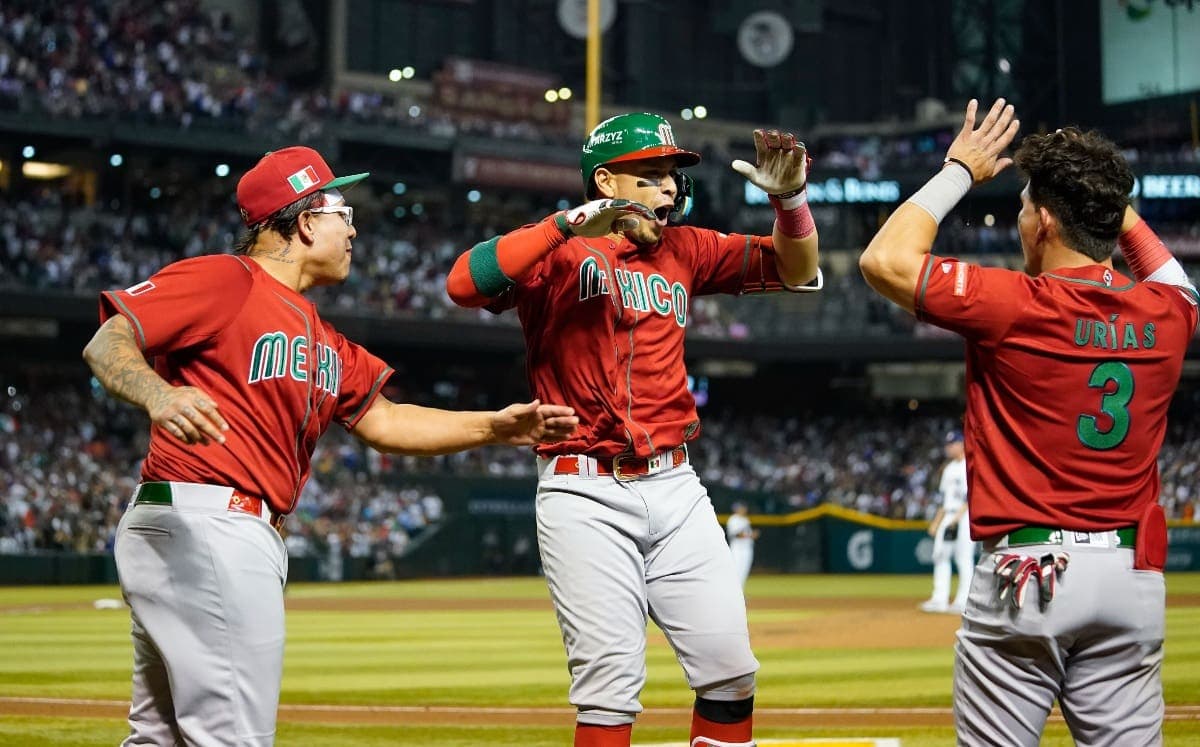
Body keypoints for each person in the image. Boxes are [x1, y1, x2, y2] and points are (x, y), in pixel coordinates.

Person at [82, 145, 578, 747]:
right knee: (233, 736)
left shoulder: (321, 334)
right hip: (210, 521)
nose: (353, 228)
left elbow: (386, 423)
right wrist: (159, 395)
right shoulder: (224, 278)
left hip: (204, 526)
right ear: (306, 219)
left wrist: (494, 428)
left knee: (159, 737)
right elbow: (108, 342)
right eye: (342, 210)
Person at [447, 112, 820, 747]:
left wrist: (789, 201)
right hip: (581, 490)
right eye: (650, 174)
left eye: (671, 174)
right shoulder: (555, 249)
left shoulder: (688, 249)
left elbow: (794, 268)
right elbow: (464, 283)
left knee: (730, 671)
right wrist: (565, 224)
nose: (669, 187)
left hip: (676, 486)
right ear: (605, 181)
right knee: (610, 689)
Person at [859, 99, 1197, 746]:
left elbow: (885, 260)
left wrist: (960, 168)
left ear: (1043, 220)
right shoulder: (1167, 315)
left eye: (1022, 210)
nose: (1018, 223)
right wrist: (1109, 202)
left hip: (1031, 575)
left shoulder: (1017, 303)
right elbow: (1175, 280)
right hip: (1132, 578)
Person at [920, 430, 973, 614]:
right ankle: (939, 599)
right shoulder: (948, 469)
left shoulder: (970, 465)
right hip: (948, 515)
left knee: (963, 558)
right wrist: (936, 522)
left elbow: (970, 497)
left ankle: (963, 601)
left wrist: (956, 520)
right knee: (940, 555)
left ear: (961, 444)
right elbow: (943, 500)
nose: (949, 447)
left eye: (952, 444)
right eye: (948, 444)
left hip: (964, 516)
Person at [726, 501, 759, 588]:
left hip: (747, 549)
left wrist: (752, 535)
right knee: (736, 572)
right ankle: (733, 593)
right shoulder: (733, 519)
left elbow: (747, 534)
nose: (743, 509)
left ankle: (740, 593)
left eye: (743, 507)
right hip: (737, 550)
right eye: (740, 508)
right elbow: (736, 534)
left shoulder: (745, 520)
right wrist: (751, 535)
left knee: (744, 572)